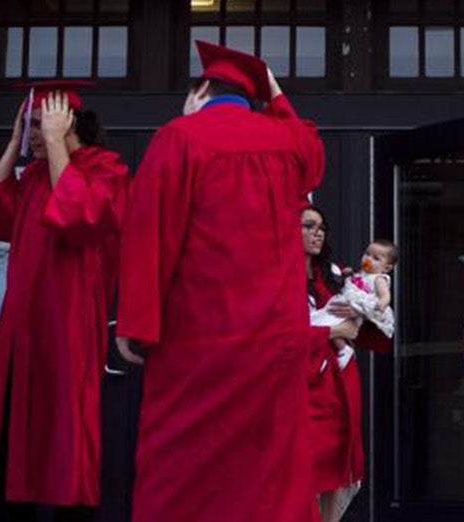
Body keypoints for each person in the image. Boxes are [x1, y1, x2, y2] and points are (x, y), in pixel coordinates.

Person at [114, 41, 324, 522]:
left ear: (202, 89)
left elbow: (150, 233)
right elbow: (312, 154)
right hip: (276, 337)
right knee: (272, 465)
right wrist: (276, 97)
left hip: (202, 335)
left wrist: (137, 323)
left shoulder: (180, 137)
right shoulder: (286, 142)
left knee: (186, 466)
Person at [0, 80, 126, 521]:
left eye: (38, 123)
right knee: (12, 453)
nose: (34, 133)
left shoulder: (106, 170)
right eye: (29, 124)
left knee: (68, 447)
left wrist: (54, 143)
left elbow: (77, 216)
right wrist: (13, 145)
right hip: (23, 333)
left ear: (67, 121)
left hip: (68, 330)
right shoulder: (33, 175)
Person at [301, 205, 390, 522]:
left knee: (339, 465)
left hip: (339, 385)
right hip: (303, 389)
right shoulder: (276, 280)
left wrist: (369, 308)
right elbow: (272, 337)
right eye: (309, 226)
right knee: (305, 470)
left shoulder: (335, 275)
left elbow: (366, 324)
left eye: (322, 227)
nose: (318, 232)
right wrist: (333, 331)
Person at [310, 239, 397, 360]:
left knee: (334, 324)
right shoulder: (362, 273)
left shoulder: (379, 278)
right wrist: (348, 274)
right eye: (367, 254)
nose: (368, 259)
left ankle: (344, 349)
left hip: (357, 310)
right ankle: (342, 347)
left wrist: (382, 303)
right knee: (330, 321)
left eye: (376, 258)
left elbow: (385, 295)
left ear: (386, 268)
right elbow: (352, 283)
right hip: (344, 304)